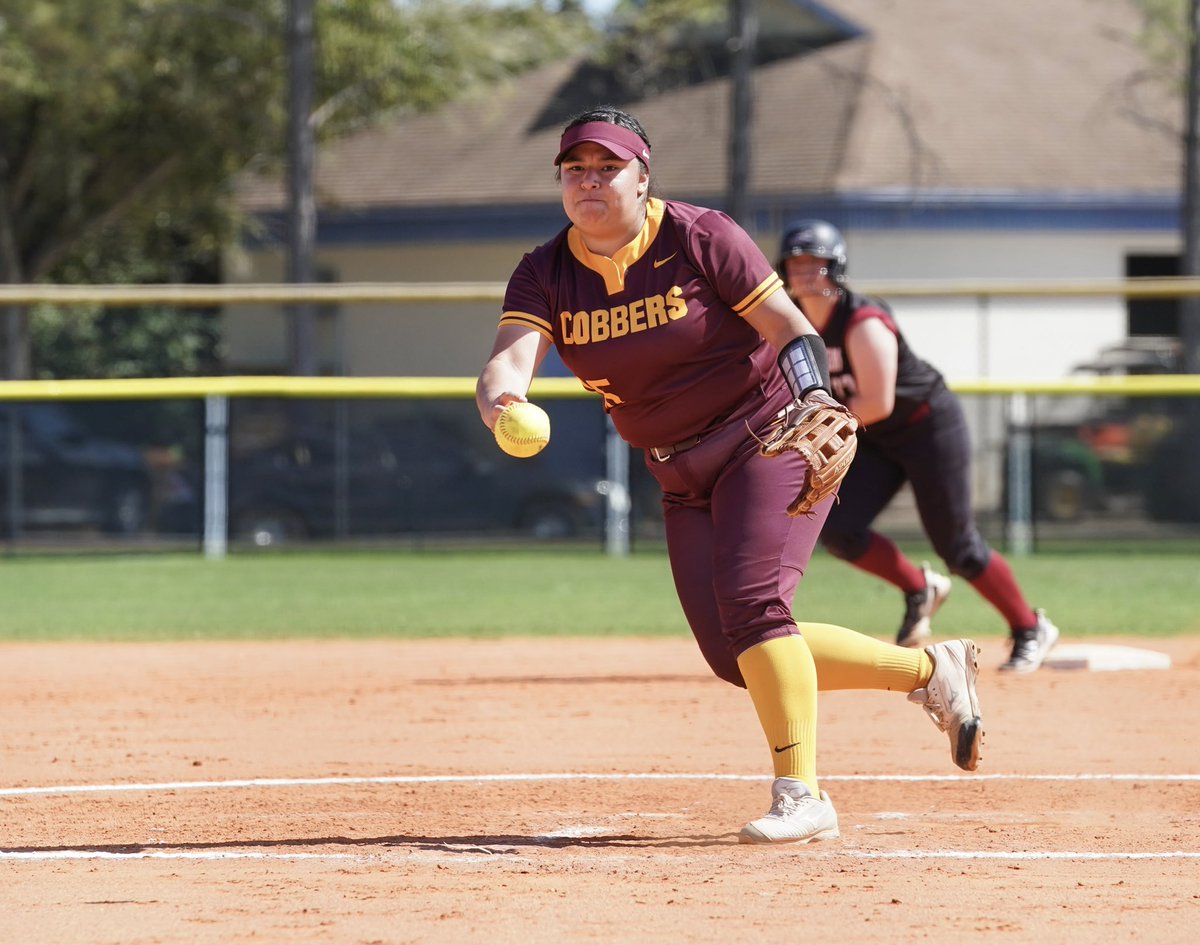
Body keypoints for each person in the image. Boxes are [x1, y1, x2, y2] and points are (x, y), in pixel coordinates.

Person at [476, 105, 985, 845]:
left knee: (753, 609)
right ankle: (928, 672)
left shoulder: (699, 235)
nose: (590, 181)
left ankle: (802, 794)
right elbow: (510, 356)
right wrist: (500, 399)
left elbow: (790, 326)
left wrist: (815, 394)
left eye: (608, 167)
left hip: (769, 436)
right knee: (732, 653)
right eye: (575, 169)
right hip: (679, 470)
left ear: (642, 176)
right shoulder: (546, 270)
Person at [776, 219, 1060, 672]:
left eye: (818, 263)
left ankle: (1030, 627)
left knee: (958, 546)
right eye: (797, 263)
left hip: (925, 427)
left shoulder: (863, 321)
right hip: (871, 436)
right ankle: (919, 588)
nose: (807, 273)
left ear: (838, 268)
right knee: (839, 529)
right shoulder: (793, 325)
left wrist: (809, 427)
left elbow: (878, 400)